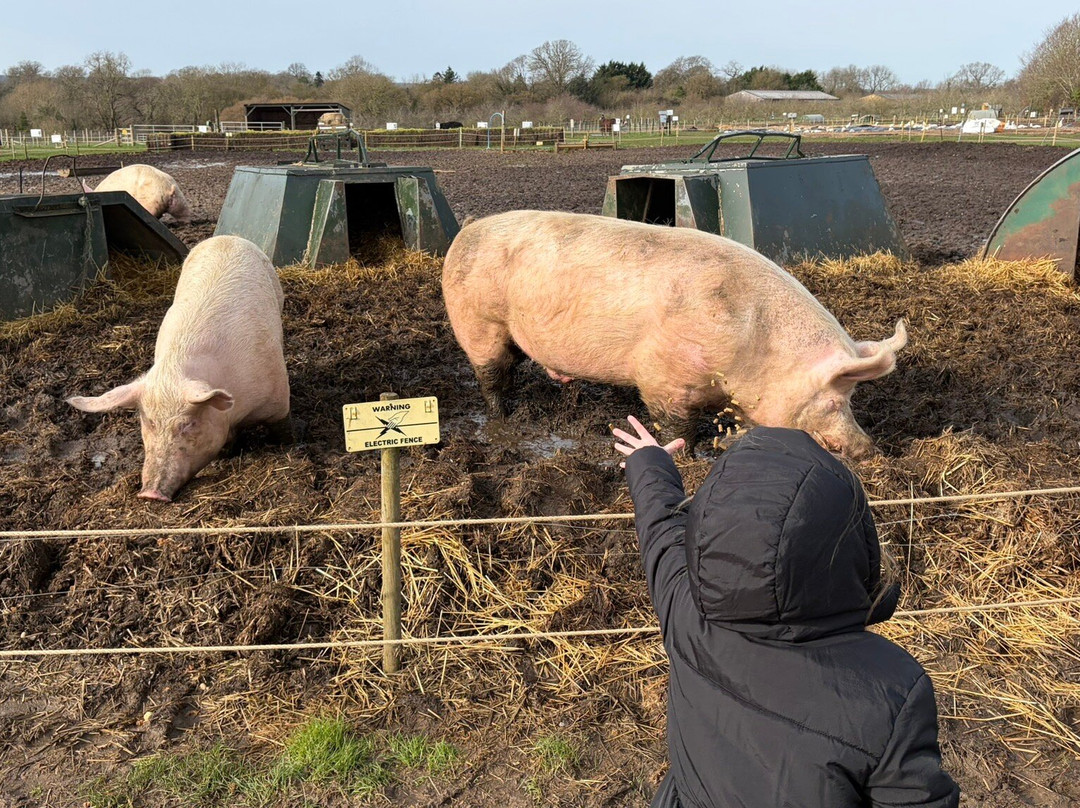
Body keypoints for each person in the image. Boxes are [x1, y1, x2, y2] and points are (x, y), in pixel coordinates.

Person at [611, 416, 960, 808]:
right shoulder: (890, 690)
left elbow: (661, 530)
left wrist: (649, 463)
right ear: (848, 543)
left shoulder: (686, 610)